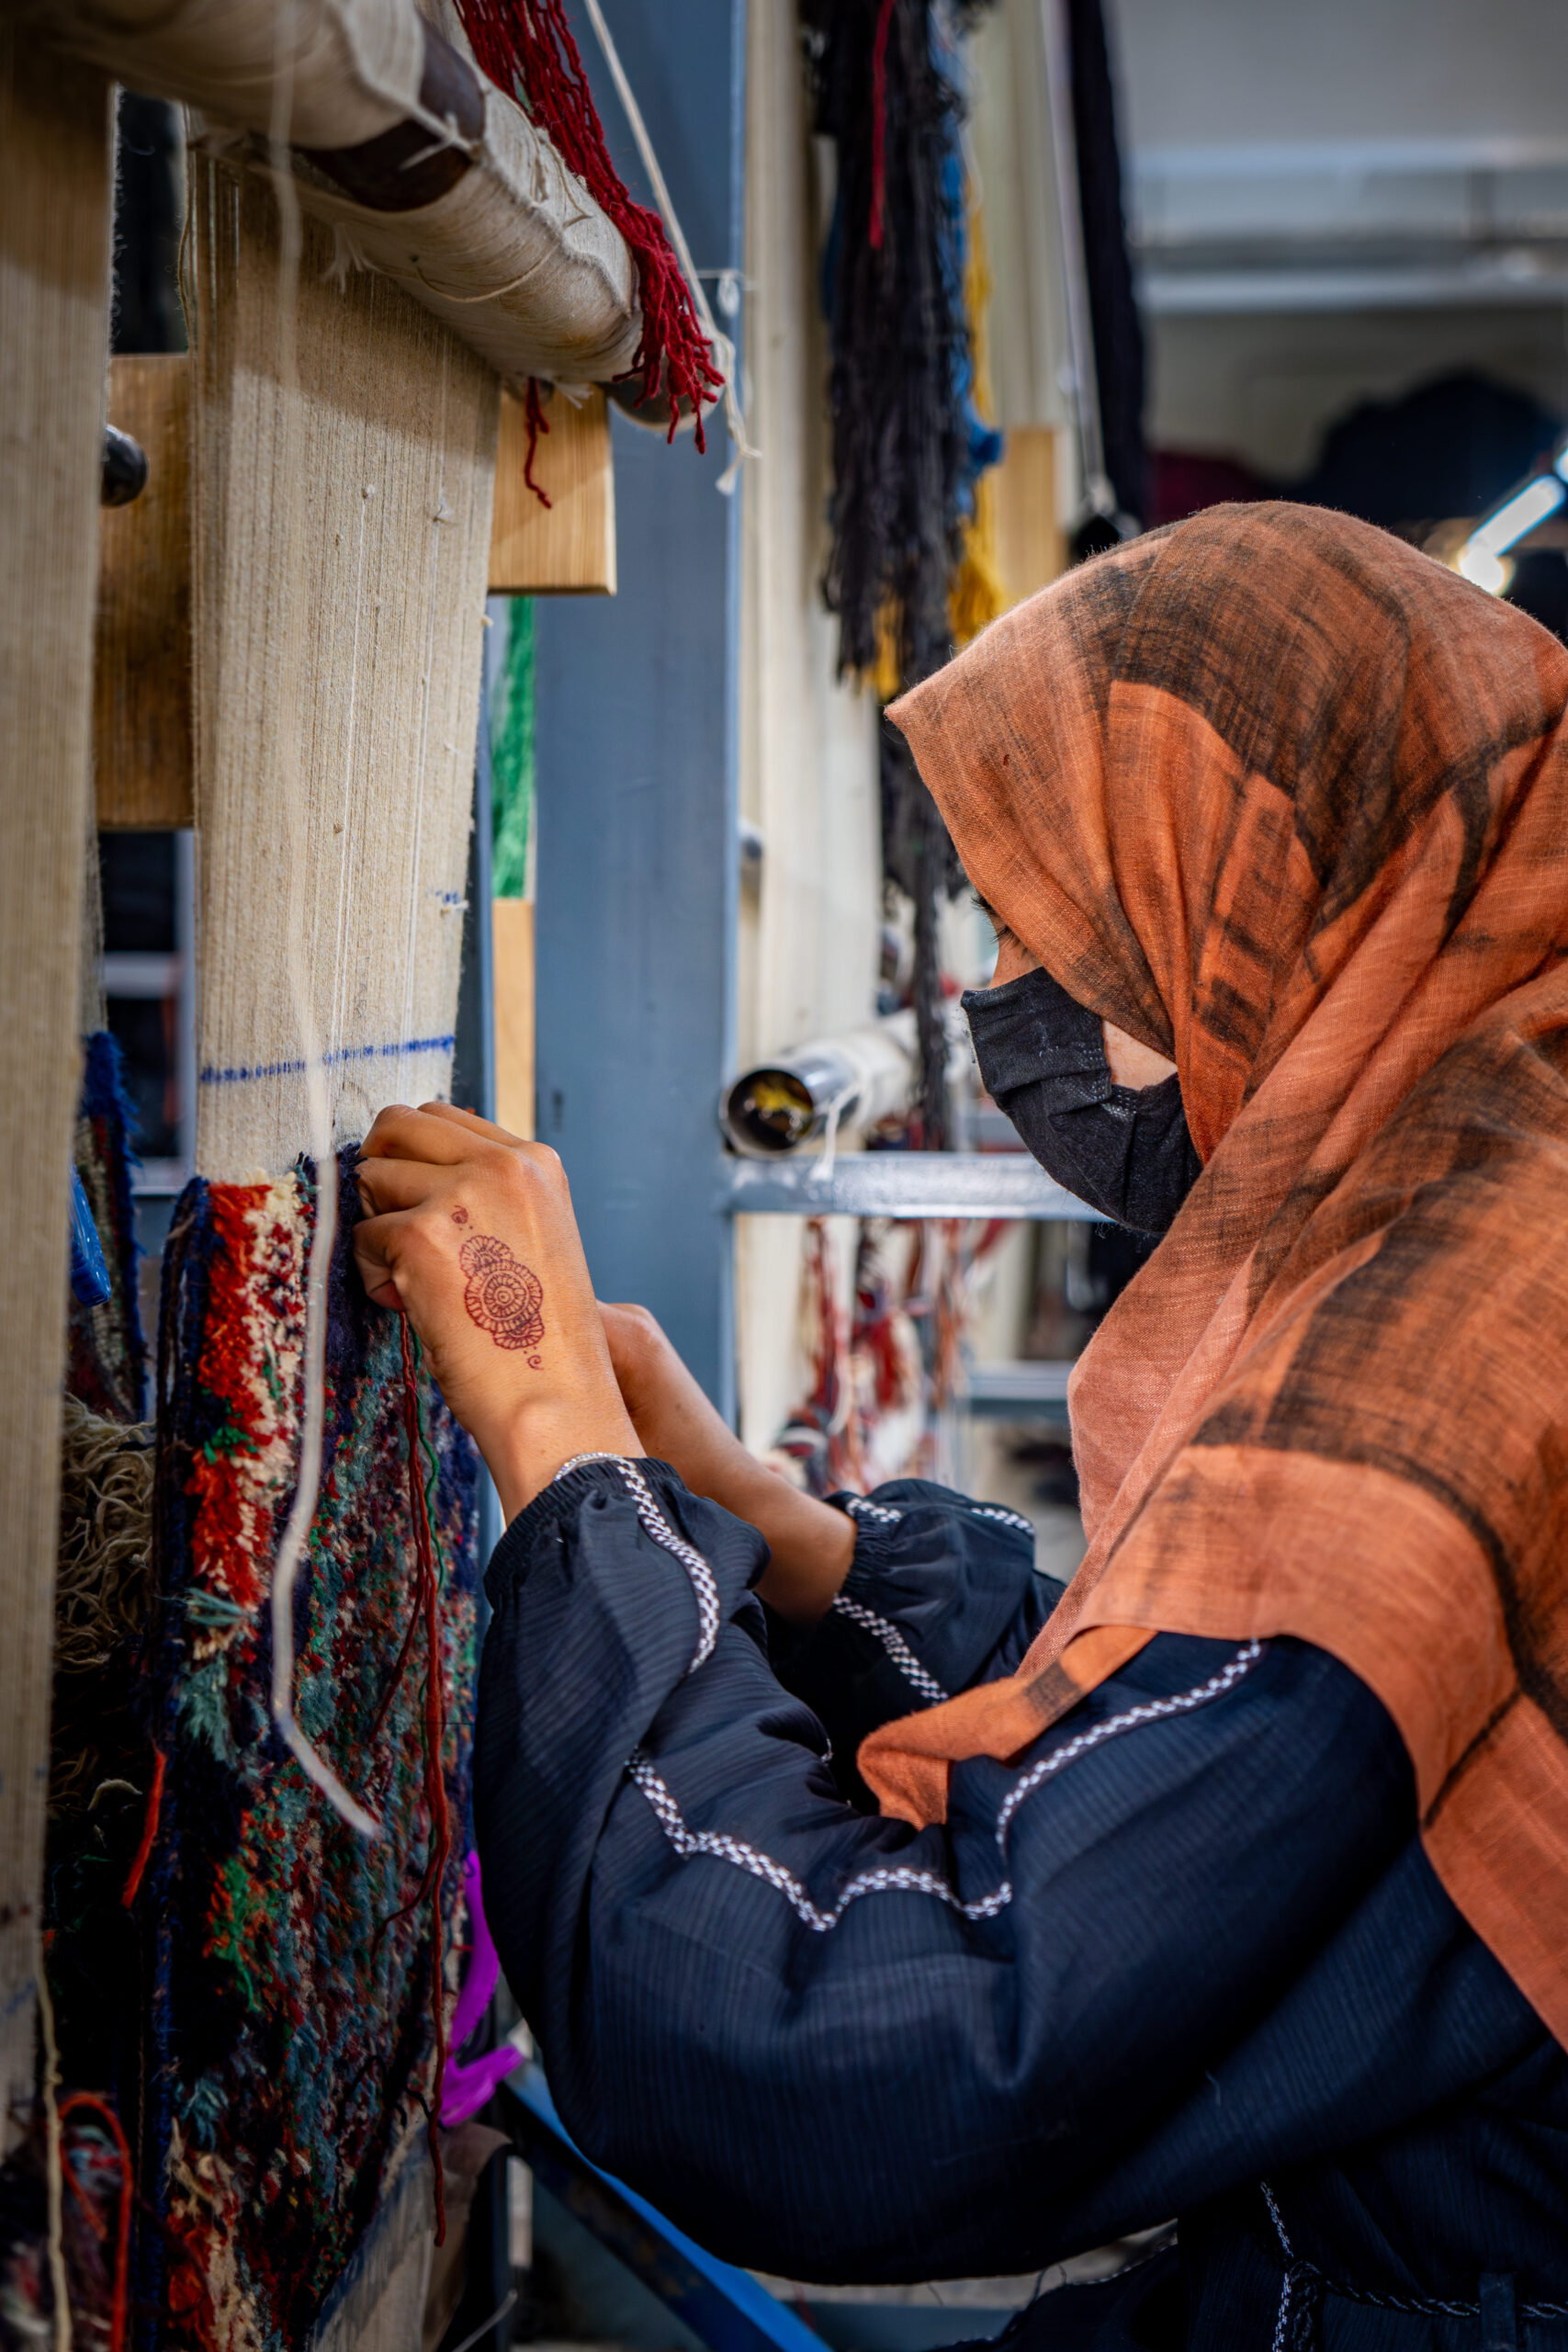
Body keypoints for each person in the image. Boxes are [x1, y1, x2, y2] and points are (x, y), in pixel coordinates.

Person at [353, 503, 1568, 2350]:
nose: (1018, 999)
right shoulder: (1492, 1196)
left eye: (1063, 923)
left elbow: (861, 2050)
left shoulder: (1464, 1344)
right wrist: (750, 1511)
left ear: (1253, 895)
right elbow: (1219, 1783)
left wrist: (551, 1438)